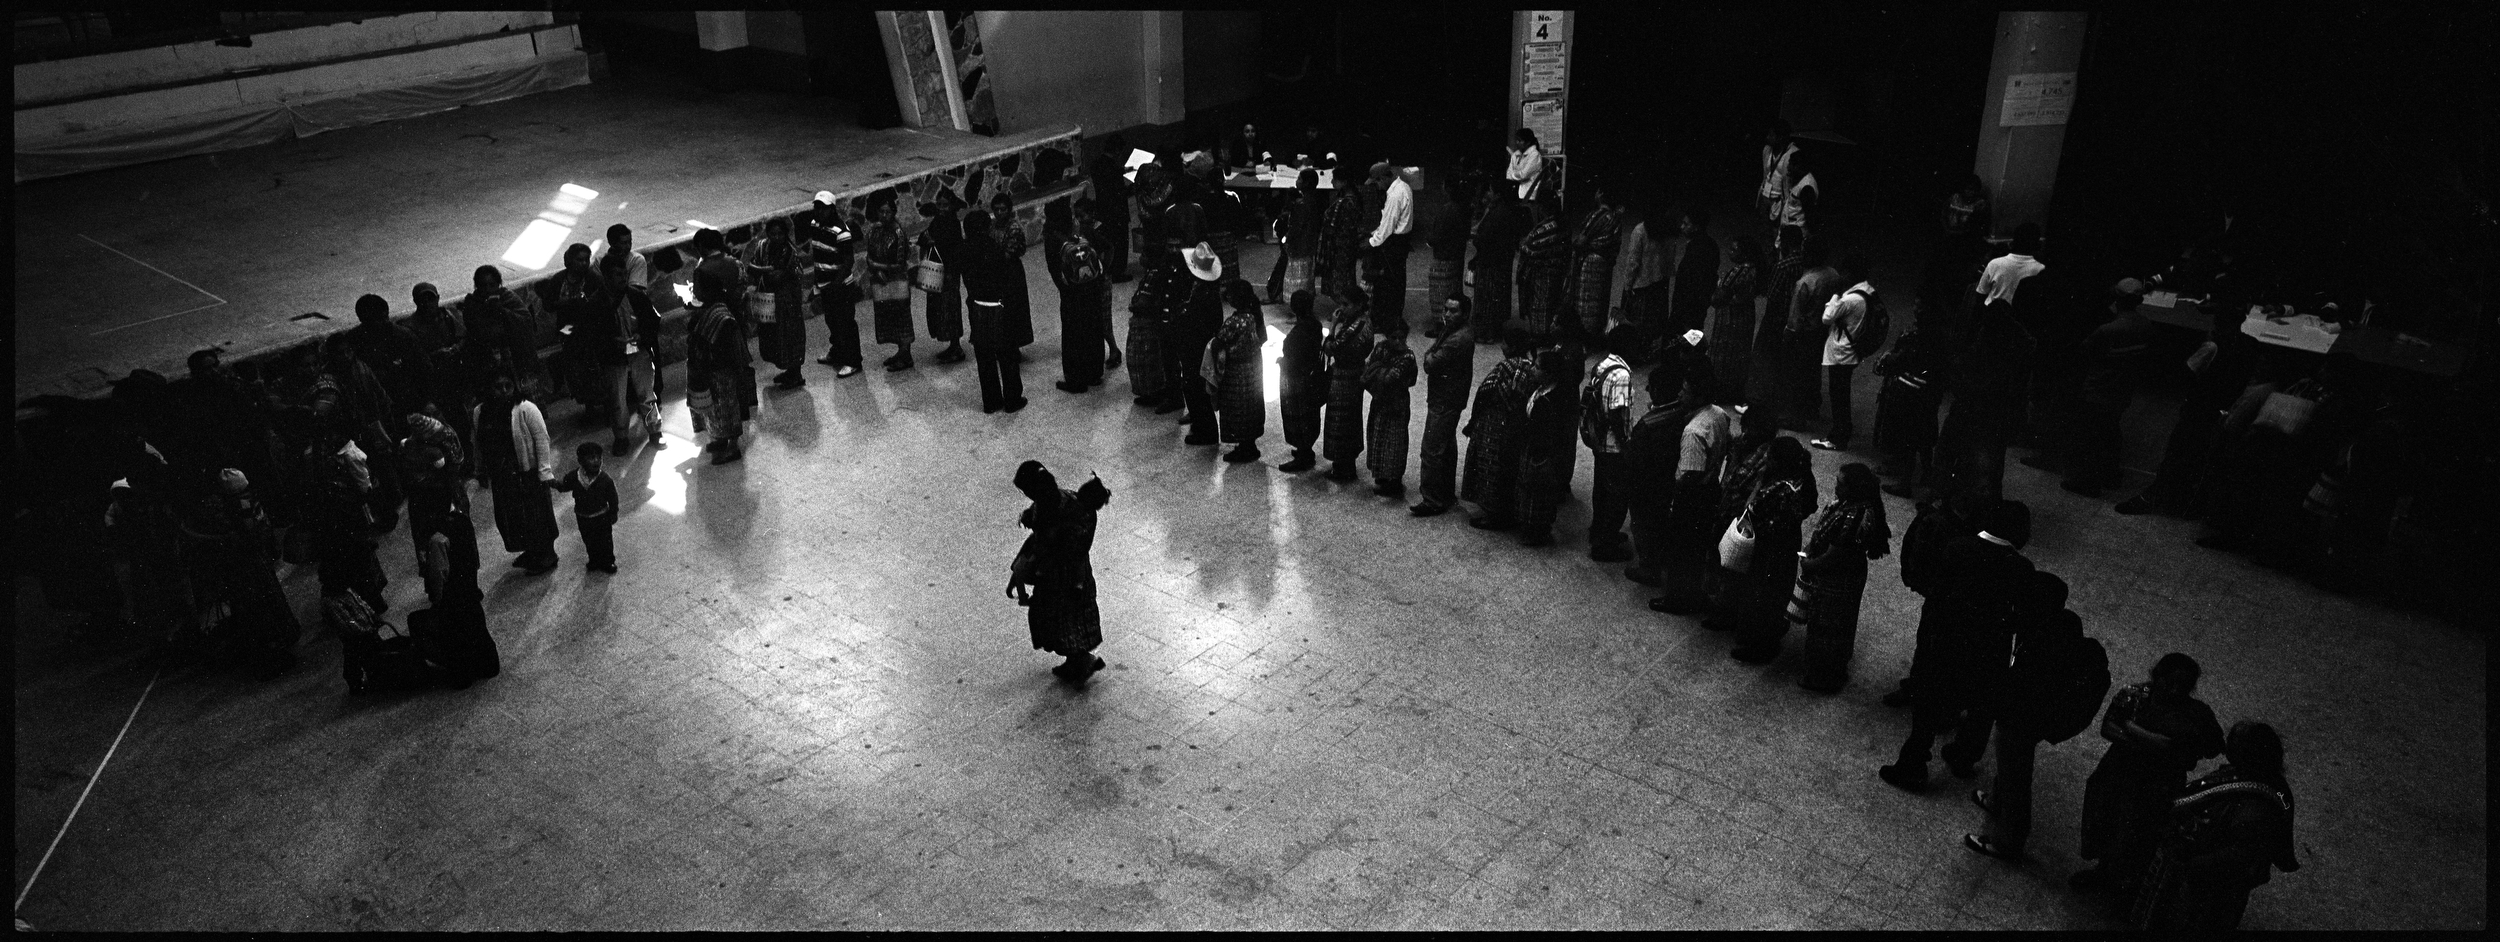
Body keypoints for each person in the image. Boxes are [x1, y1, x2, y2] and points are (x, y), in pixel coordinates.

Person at [1879, 499, 2036, 789]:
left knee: (1928, 703)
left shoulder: (1958, 548)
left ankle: (1914, 763)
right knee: (1982, 705)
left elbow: (1938, 597)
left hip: (1945, 641)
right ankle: (1963, 756)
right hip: (1989, 649)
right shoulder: (2022, 568)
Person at [1966, 573, 2110, 861]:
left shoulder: (2039, 642)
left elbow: (2016, 683)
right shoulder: (2065, 622)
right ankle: (1997, 800)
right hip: (2033, 717)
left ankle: (2009, 841)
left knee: (2015, 774)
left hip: (2020, 719)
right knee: (2009, 765)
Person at [2072, 653, 2227, 896]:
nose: (2175, 691)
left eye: (2183, 686)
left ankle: (2130, 884)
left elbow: (2213, 746)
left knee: (2144, 832)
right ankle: (2104, 872)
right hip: (2119, 773)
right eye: (2170, 682)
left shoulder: (2197, 713)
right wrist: (2150, 744)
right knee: (2109, 819)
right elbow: (2108, 727)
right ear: (2158, 676)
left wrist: (2135, 731)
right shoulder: (2134, 695)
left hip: (2160, 784)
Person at [2133, 721, 2300, 930]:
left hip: (2212, 881)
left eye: (2234, 741)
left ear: (2249, 752)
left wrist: (2191, 861)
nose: (2226, 745)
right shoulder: (2241, 773)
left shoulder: (2255, 808)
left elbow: (2238, 854)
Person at [1631, 349, 1730, 610]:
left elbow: (1689, 475)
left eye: (1684, 392)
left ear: (1696, 396)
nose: (1679, 395)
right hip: (1712, 488)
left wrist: (1675, 503)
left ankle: (1677, 598)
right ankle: (1692, 592)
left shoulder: (1692, 432)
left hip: (1692, 498)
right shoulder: (1718, 414)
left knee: (1683, 549)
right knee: (1696, 549)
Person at [1777, 462, 1892, 687]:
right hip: (1840, 575)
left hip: (1837, 579)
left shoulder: (1855, 516)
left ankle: (1823, 676)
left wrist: (1810, 564)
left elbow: (1835, 555)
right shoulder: (1853, 505)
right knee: (1833, 624)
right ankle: (1826, 670)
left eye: (1840, 483)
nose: (1836, 486)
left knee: (1828, 626)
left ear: (1853, 488)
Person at [1007, 461, 1113, 683]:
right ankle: (1076, 662)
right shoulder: (1062, 501)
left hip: (1065, 578)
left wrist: (1025, 569)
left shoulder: (1062, 515)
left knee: (1063, 621)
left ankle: (1081, 662)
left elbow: (1053, 546)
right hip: (1069, 575)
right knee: (1070, 621)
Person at [1719, 437, 1817, 656]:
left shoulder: (1779, 489)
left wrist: (1759, 483)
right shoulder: (1801, 480)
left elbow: (1751, 508)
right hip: (1786, 543)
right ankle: (1764, 634)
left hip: (1770, 548)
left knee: (1763, 593)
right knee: (1772, 592)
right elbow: (1811, 505)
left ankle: (1761, 646)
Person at [2061, 279, 2158, 496]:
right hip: (2123, 390)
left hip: (2098, 390)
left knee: (2092, 436)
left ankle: (2088, 482)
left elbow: (2082, 353)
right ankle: (2111, 475)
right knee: (2111, 430)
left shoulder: (2107, 330)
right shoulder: (2146, 325)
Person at [471, 372, 559, 572]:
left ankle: (546, 555)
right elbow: (477, 442)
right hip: (501, 475)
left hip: (527, 472)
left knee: (536, 516)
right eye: (498, 386)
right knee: (513, 517)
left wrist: (544, 471)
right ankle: (530, 551)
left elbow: (542, 439)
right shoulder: (480, 412)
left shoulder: (525, 408)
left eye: (507, 386)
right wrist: (480, 469)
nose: (503, 391)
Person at [593, 227, 665, 449]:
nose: (623, 279)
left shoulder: (636, 296)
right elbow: (593, 334)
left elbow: (653, 321)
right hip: (614, 359)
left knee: (647, 395)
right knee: (617, 401)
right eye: (617, 275)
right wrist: (612, 342)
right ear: (605, 277)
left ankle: (655, 431)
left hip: (639, 352)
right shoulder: (597, 303)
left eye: (625, 274)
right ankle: (621, 437)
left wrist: (641, 335)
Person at [1463, 338, 1540, 529]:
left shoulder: (1506, 367)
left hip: (1495, 425)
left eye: (1505, 342)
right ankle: (1505, 510)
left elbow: (1486, 391)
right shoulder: (1528, 367)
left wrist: (1474, 420)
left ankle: (1494, 514)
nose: (1501, 346)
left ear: (1512, 346)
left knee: (1491, 467)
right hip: (1515, 424)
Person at [960, 211, 1030, 415]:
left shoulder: (964, 249)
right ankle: (1012, 399)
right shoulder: (993, 248)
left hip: (976, 305)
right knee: (1006, 354)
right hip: (998, 306)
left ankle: (991, 401)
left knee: (984, 356)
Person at [1512, 346, 1583, 547]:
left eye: (1536, 367)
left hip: (1541, 455)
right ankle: (1530, 527)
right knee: (1529, 490)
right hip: (1533, 450)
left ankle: (1538, 531)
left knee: (1539, 492)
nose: (1532, 370)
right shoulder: (1541, 390)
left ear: (1548, 374)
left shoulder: (1552, 401)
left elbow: (1548, 433)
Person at [1411, 304, 1476, 516]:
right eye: (1446, 309)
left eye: (1453, 310)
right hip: (1451, 397)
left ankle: (1432, 499)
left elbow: (1430, 363)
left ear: (1465, 313)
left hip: (1445, 399)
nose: (1447, 314)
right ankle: (1445, 494)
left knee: (1431, 449)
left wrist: (1431, 353)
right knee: (1446, 446)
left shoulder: (1457, 339)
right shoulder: (1456, 332)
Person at [1871, 326, 1949, 498]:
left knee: (1908, 438)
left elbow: (1902, 360)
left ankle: (1905, 482)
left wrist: (1892, 358)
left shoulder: (1919, 338)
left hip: (1912, 393)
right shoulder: (1941, 338)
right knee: (1924, 437)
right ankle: (1926, 473)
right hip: (1929, 395)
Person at [1579, 333, 1638, 561]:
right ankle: (1605, 544)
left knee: (1601, 489)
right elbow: (1616, 413)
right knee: (1617, 496)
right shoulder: (1622, 374)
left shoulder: (1603, 365)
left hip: (1599, 440)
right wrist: (1625, 444)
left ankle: (1598, 531)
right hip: (1614, 445)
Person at [685, 271, 754, 463]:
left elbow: (730, 347)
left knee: (727, 409)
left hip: (722, 371)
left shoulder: (722, 315)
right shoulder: (708, 309)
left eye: (696, 287)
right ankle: (721, 439)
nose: (694, 290)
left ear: (707, 291)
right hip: (712, 370)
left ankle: (733, 446)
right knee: (714, 409)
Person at [343, 293, 435, 437]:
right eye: (376, 320)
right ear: (362, 320)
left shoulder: (403, 336)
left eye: (385, 317)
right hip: (377, 413)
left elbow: (425, 370)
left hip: (409, 405)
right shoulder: (353, 342)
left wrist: (427, 402)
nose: (384, 323)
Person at [1779, 246, 1847, 438]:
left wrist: (1789, 334)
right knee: (1813, 370)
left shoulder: (1805, 281)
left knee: (1797, 374)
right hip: (1822, 330)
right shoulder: (1832, 274)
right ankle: (1812, 408)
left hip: (1804, 332)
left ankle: (1797, 417)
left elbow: (1795, 316)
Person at [1810, 256, 1876, 451]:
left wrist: (1835, 295)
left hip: (1842, 351)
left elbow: (1827, 317)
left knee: (1838, 395)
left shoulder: (1850, 298)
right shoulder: (1868, 291)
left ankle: (1838, 437)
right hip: (1854, 348)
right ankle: (1842, 431)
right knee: (1841, 393)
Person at [1045, 202, 1111, 393]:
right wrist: (1101, 273)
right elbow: (1107, 247)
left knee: (1073, 334)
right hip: (1091, 289)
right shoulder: (1084, 232)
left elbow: (1054, 269)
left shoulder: (1052, 239)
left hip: (1071, 293)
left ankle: (1075, 379)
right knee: (1093, 328)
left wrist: (1063, 287)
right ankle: (1094, 374)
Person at [461, 265, 548, 402]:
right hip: (490, 361)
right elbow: (476, 331)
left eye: (492, 285)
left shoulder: (508, 297)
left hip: (517, 357)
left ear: (499, 284)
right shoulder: (472, 304)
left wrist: (502, 311)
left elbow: (525, 320)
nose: (488, 290)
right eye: (483, 286)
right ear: (477, 286)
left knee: (527, 398)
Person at [743, 217, 809, 390]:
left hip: (787, 303)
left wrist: (762, 270)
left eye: (780, 234)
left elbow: (776, 275)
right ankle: (788, 370)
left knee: (790, 336)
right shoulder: (763, 247)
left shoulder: (790, 252)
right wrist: (766, 270)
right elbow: (750, 267)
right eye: (773, 234)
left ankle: (796, 374)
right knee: (775, 337)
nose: (777, 237)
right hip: (770, 300)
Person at [805, 194, 866, 378]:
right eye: (817, 207)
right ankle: (837, 352)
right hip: (825, 284)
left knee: (846, 323)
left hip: (840, 286)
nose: (819, 211)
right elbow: (818, 255)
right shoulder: (815, 225)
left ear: (832, 209)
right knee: (832, 321)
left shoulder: (842, 232)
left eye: (823, 208)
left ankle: (853, 361)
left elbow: (848, 261)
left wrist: (836, 284)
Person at [1171, 243, 1228, 440]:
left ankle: (1205, 430)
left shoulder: (1204, 296)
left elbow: (1196, 323)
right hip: (1199, 347)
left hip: (1197, 349)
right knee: (1194, 386)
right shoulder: (1207, 291)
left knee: (1195, 386)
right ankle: (1199, 421)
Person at [1211, 280, 1269, 462]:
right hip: (1254, 368)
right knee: (1251, 405)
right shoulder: (1255, 315)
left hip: (1236, 371)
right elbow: (1263, 338)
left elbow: (1217, 344)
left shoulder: (1234, 322)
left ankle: (1244, 448)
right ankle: (1249, 444)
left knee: (1237, 406)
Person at [1322, 287, 1377, 481]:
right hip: (1354, 373)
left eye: (1346, 304)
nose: (1342, 309)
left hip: (1345, 377)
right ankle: (1345, 464)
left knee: (1340, 421)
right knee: (1349, 419)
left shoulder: (1355, 327)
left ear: (1359, 305)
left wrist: (1333, 326)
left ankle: (1343, 467)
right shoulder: (1364, 321)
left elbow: (1331, 348)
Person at [1274, 289, 1330, 474]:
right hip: (1310, 377)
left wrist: (1282, 362)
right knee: (1308, 415)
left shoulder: (1300, 331)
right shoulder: (1314, 325)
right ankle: (1305, 450)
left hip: (1297, 380)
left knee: (1297, 416)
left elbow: (1294, 359)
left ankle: (1303, 454)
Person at [1706, 236, 1766, 402]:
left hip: (1730, 318)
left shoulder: (1737, 272)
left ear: (1744, 254)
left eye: (1734, 249)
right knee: (1739, 356)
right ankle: (1735, 392)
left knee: (1723, 356)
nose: (1729, 252)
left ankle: (1720, 393)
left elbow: (1718, 298)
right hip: (1745, 316)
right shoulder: (1755, 270)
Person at [1362, 324, 1420, 497]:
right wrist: (1378, 373)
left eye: (1401, 338)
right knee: (1378, 436)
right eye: (1393, 337)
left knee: (1395, 441)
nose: (1397, 341)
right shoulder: (1380, 348)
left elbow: (1389, 378)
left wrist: (1377, 372)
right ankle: (1381, 475)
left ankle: (1394, 481)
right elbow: (1370, 370)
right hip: (1380, 401)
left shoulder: (1407, 356)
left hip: (1397, 404)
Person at [1566, 183, 1626, 342]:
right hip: (1605, 264)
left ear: (1601, 195)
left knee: (1585, 302)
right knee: (1599, 301)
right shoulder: (1615, 218)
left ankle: (1583, 336)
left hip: (1589, 264)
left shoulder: (1598, 215)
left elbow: (1582, 240)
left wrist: (1574, 246)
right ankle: (1594, 335)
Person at [864, 197, 919, 372]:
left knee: (901, 316)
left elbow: (901, 263)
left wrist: (878, 267)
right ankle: (900, 352)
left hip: (897, 281)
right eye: (882, 211)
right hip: (880, 281)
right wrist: (875, 269)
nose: (884, 215)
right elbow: (869, 254)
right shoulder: (875, 231)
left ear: (894, 212)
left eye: (888, 211)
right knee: (888, 316)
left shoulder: (898, 233)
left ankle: (906, 354)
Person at [1364, 162, 1417, 336]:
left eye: (1377, 182)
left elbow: (1387, 227)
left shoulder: (1394, 195)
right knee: (1397, 281)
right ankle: (1393, 317)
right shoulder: (1404, 187)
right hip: (1401, 241)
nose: (1377, 186)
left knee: (1387, 284)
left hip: (1393, 243)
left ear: (1384, 178)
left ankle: (1386, 321)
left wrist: (1370, 242)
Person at [1470, 186, 1529, 344]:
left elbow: (1483, 239)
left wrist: (1476, 246)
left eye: (1490, 190)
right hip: (1503, 262)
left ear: (1498, 194)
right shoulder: (1508, 212)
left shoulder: (1496, 214)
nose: (1488, 193)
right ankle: (1494, 330)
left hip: (1490, 263)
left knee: (1487, 298)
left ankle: (1486, 333)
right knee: (1498, 297)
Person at [917, 193, 971, 365]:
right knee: (942, 309)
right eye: (939, 205)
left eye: (944, 205)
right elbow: (924, 237)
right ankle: (952, 345)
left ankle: (956, 346)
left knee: (950, 309)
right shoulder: (938, 222)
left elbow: (951, 247)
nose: (941, 209)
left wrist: (934, 241)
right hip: (939, 273)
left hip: (949, 274)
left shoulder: (953, 224)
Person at [1126, 246, 1182, 408]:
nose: (1140, 259)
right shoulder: (1158, 271)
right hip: (1158, 321)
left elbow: (1145, 301)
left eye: (1143, 255)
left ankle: (1164, 396)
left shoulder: (1155, 273)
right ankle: (1160, 394)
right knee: (1158, 361)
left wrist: (1134, 306)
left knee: (1156, 361)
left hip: (1155, 323)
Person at [552, 441, 619, 574]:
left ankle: (607, 561)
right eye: (591, 457)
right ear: (580, 461)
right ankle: (594, 559)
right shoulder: (574, 477)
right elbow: (564, 486)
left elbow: (613, 498)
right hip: (583, 517)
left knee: (605, 540)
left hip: (602, 516)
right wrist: (554, 484)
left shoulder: (605, 479)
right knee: (589, 539)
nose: (596, 461)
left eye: (599, 457)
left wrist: (613, 513)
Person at [1758, 119, 1818, 255]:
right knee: (1765, 231)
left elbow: (1789, 182)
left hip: (1780, 199)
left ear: (1781, 137)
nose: (1768, 138)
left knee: (1778, 234)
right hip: (1766, 195)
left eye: (1771, 135)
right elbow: (1765, 174)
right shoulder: (1767, 150)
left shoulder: (1792, 153)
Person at [1267, 169, 1326, 304]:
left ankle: (1299, 309)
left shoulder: (1302, 204)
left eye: (1299, 179)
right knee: (1305, 276)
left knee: (1298, 279)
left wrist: (1288, 242)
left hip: (1299, 247)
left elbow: (1296, 229)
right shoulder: (1313, 200)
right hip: (1309, 246)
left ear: (1306, 183)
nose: (1296, 181)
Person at [1424, 177, 1473, 332]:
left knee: (1440, 292)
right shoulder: (1464, 207)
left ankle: (1441, 324)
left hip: (1443, 257)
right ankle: (1452, 321)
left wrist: (1430, 240)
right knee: (1453, 288)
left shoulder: (1448, 209)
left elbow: (1437, 235)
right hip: (1457, 256)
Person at [1516, 206, 1573, 338]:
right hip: (1558, 270)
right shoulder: (1563, 224)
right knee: (1552, 301)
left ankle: (1540, 334)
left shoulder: (1545, 228)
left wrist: (1523, 245)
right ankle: (1549, 331)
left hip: (1542, 273)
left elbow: (1529, 247)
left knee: (1540, 304)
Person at [1086, 154, 1135, 282]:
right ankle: (1118, 272)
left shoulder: (1099, 168)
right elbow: (1120, 193)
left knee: (1111, 242)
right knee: (1120, 244)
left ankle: (1110, 269)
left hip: (1105, 212)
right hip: (1118, 213)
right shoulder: (1112, 173)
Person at [1506, 128, 1547, 203]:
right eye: (1517, 140)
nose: (1517, 142)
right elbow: (1508, 174)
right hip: (1515, 190)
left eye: (1520, 140)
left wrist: (1514, 174)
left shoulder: (1535, 155)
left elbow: (1524, 174)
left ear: (1527, 142)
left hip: (1528, 193)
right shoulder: (1515, 155)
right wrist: (1516, 175)